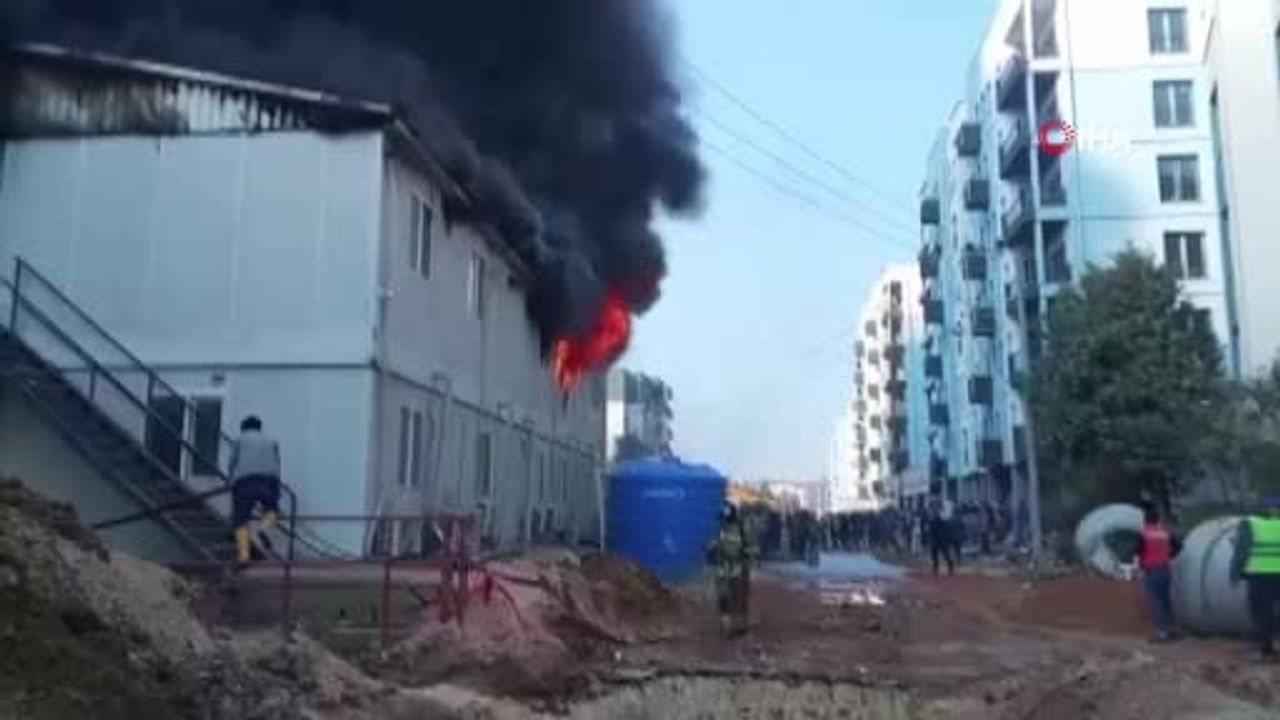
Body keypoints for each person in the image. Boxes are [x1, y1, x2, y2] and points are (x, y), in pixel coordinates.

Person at [228, 415, 282, 566]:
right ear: (259, 428)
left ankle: (244, 557)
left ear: (243, 428)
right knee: (273, 510)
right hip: (270, 479)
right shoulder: (271, 441)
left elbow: (232, 463)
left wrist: (230, 481)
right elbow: (277, 462)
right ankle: (263, 529)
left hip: (245, 481)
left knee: (240, 520)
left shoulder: (240, 440)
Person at [1231, 493, 1280, 662]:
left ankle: (1268, 651)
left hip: (1260, 575)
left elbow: (1241, 551)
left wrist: (1235, 574)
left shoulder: (1251, 524)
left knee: (1261, 612)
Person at [1131, 502, 1182, 642]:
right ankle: (1173, 630)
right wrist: (1168, 556)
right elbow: (1179, 546)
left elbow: (1136, 552)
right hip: (1166, 569)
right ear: (1158, 520)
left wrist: (1136, 569)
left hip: (1152, 571)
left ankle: (1161, 633)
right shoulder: (1164, 533)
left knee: (1156, 601)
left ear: (1145, 521)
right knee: (1166, 600)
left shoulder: (1144, 534)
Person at [708, 502, 754, 637]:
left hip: (738, 568)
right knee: (723, 595)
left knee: (739, 597)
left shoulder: (742, 528)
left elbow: (751, 547)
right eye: (722, 518)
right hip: (723, 567)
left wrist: (747, 557)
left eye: (726, 518)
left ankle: (740, 624)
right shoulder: (720, 529)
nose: (724, 521)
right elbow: (714, 545)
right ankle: (726, 624)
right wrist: (711, 551)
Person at [928, 498, 957, 576]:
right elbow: (931, 528)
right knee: (934, 554)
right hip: (934, 538)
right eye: (932, 507)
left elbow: (946, 526)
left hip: (942, 539)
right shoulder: (931, 516)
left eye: (935, 507)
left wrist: (944, 536)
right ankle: (935, 569)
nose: (933, 509)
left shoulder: (942, 515)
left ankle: (950, 568)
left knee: (945, 554)